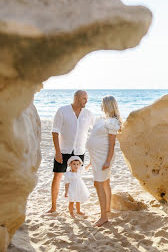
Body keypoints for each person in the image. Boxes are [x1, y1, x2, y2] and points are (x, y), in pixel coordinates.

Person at [48, 90, 94, 213]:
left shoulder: (88, 114)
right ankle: (53, 207)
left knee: (77, 179)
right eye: (84, 98)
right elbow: (55, 132)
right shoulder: (62, 111)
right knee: (57, 176)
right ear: (77, 98)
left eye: (87, 98)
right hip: (64, 150)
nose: (86, 101)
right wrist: (57, 152)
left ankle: (75, 207)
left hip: (79, 152)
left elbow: (95, 131)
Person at [87, 95, 122, 227]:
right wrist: (91, 159)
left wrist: (107, 161)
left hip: (103, 157)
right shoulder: (102, 119)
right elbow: (95, 137)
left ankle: (103, 217)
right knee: (105, 182)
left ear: (107, 105)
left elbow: (112, 144)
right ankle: (107, 209)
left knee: (99, 184)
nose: (101, 106)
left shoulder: (113, 122)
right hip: (97, 157)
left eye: (102, 103)